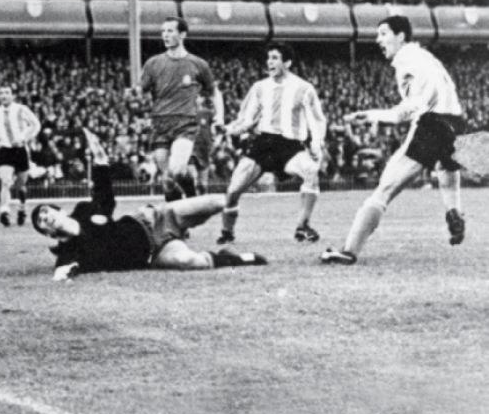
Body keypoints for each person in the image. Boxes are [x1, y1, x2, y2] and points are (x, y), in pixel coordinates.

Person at [322, 16, 466, 265]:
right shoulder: (426, 57)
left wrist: (371, 115)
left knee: (383, 190)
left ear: (401, 36)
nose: (378, 40)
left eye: (383, 33)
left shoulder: (406, 61)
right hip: (457, 122)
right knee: (445, 167)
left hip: (432, 123)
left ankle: (349, 251)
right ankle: (454, 210)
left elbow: (407, 110)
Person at [31, 162, 267, 279]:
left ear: (58, 210)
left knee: (219, 202)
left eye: (45, 211)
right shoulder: (68, 253)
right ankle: (238, 257)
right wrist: (64, 273)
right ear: (48, 234)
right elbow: (64, 270)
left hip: (154, 220)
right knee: (190, 261)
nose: (46, 218)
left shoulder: (83, 210)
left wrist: (101, 164)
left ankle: (227, 232)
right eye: (42, 222)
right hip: (155, 254)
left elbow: (104, 197)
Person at [217, 42, 327, 245]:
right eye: (269, 58)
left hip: (290, 146)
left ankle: (303, 226)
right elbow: (246, 119)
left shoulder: (304, 88)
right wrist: (230, 129)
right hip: (263, 143)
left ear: (288, 62)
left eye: (275, 58)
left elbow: (318, 119)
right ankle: (227, 232)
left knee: (311, 171)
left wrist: (317, 144)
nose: (270, 62)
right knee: (233, 190)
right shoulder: (259, 88)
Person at [136, 17, 223, 202]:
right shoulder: (153, 63)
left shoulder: (198, 64)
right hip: (160, 125)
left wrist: (219, 117)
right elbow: (141, 91)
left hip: (185, 124)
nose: (165, 35)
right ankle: (177, 226)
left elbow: (213, 91)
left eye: (170, 31)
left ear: (182, 34)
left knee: (176, 169)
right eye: (163, 31)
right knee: (167, 180)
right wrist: (134, 95)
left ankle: (191, 195)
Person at [0, 85, 41, 227]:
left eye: (7, 93)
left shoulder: (21, 109)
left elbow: (35, 125)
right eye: (1, 93)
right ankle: (4, 212)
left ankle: (22, 208)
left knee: (20, 186)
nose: (4, 95)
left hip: (20, 149)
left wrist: (23, 138)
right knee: (5, 181)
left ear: (12, 95)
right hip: (5, 150)